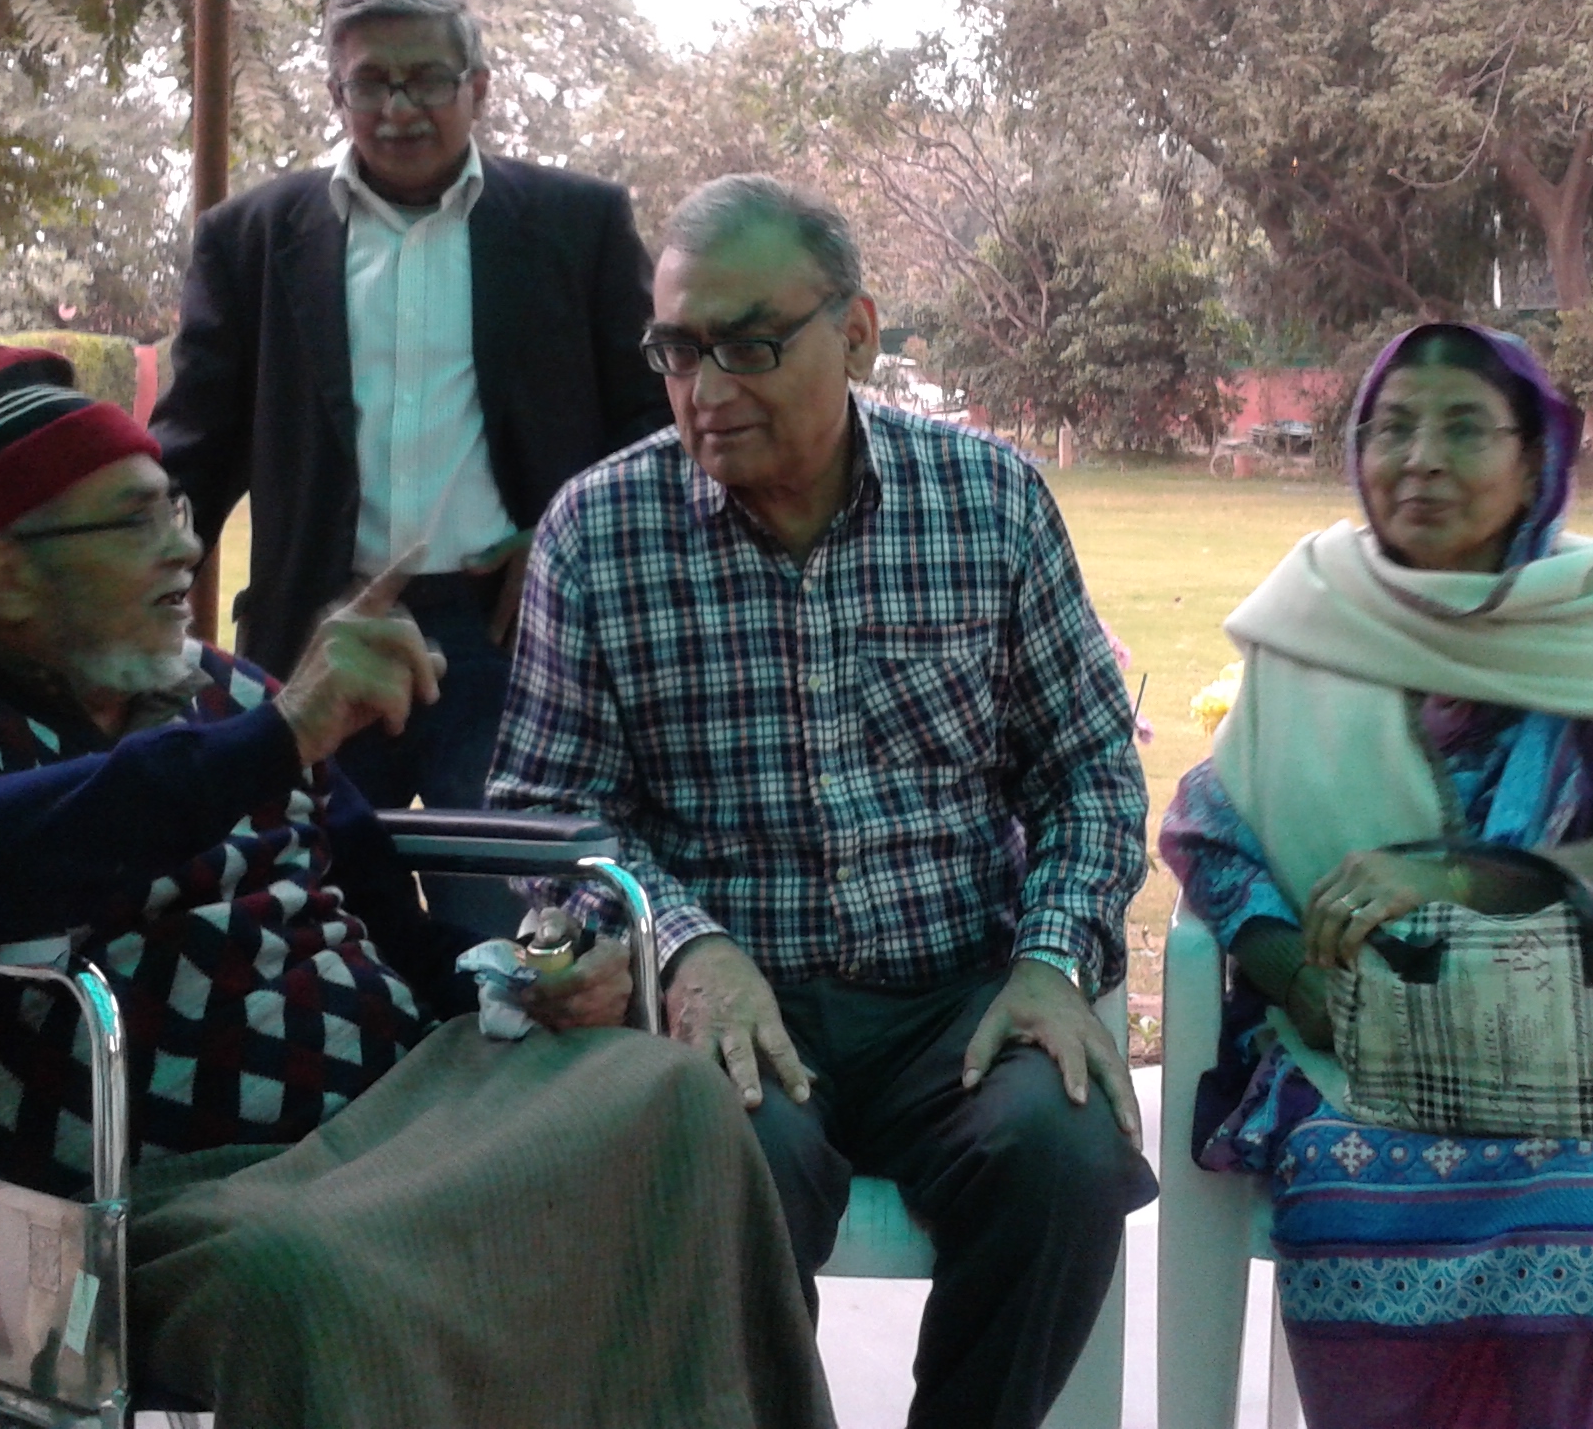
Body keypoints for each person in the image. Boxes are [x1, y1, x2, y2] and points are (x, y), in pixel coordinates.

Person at [0, 344, 832, 1429]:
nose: (186, 548)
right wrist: (268, 742)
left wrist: (510, 981)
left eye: (178, 508)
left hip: (403, 1110)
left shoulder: (232, 697)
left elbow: (386, 925)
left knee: (674, 1101)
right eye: (134, 521)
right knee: (309, 1284)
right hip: (148, 1197)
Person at [487, 174, 1158, 1429]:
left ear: (854, 332)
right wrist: (684, 948)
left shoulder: (986, 501)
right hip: (739, 1006)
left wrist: (1053, 960)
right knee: (725, 1163)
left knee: (1062, 1153)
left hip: (954, 997)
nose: (706, 388)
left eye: (750, 343)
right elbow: (549, 811)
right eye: (677, 350)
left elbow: (1088, 769)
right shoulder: (599, 531)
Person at [1158, 322, 1593, 1429]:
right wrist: (1298, 982)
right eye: (1393, 427)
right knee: (1353, 1176)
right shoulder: (1316, 612)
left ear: (1535, 460)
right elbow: (1211, 829)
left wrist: (1471, 879)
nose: (1420, 458)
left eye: (1464, 429)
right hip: (1369, 1048)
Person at [152, 0, 670, 822]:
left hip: (511, 634)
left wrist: (565, 529)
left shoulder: (579, 226)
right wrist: (128, 605)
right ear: (335, 94)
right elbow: (193, 449)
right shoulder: (250, 240)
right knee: (325, 904)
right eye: (370, 83)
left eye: (427, 79)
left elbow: (657, 418)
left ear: (478, 88)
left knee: (512, 917)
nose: (400, 109)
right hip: (321, 631)